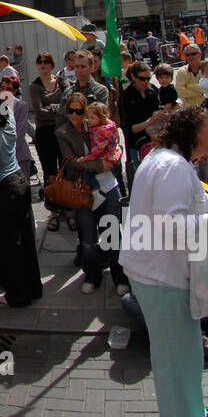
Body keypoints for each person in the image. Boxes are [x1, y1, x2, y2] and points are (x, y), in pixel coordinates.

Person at [119, 107, 208, 417]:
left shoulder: (164, 159)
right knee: (178, 358)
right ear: (194, 134)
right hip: (162, 276)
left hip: (155, 272)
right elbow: (172, 224)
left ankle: (188, 411)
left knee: (181, 353)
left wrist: (207, 210)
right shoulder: (173, 166)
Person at [0, 88, 43, 307]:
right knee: (26, 240)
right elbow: (9, 102)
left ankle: (16, 294)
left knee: (7, 246)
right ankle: (33, 286)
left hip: (2, 190)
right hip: (19, 181)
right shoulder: (9, 121)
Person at [57, 96, 130, 295]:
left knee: (112, 234)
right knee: (88, 239)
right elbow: (71, 162)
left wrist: (115, 155)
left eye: (79, 111)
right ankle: (92, 275)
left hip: (108, 187)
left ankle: (120, 277)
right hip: (82, 191)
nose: (75, 115)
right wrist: (99, 165)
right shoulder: (63, 133)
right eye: (71, 111)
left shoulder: (98, 125)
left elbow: (116, 145)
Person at [29, 51, 69, 205]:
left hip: (63, 132)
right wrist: (60, 110)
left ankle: (67, 206)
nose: (43, 64)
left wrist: (51, 107)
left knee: (65, 169)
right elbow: (39, 111)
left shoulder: (62, 82)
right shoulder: (35, 86)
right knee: (49, 171)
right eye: (40, 62)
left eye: (46, 61)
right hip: (45, 133)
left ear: (52, 64)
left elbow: (69, 105)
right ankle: (53, 208)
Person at [174, 43, 205, 108]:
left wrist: (188, 87)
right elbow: (179, 92)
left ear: (200, 54)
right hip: (189, 109)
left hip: (207, 108)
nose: (190, 57)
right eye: (187, 55)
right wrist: (201, 92)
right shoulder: (181, 71)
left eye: (193, 54)